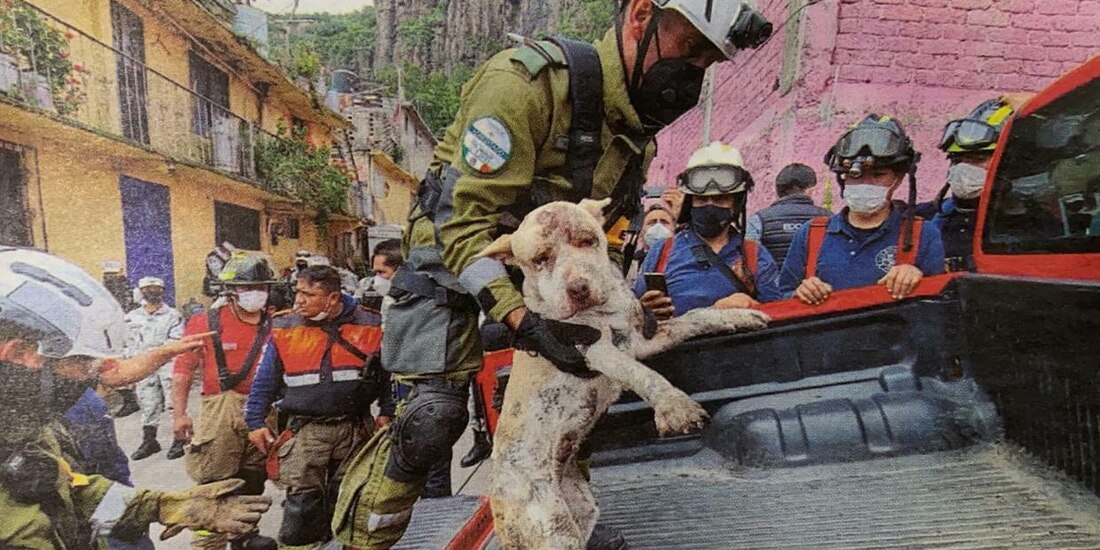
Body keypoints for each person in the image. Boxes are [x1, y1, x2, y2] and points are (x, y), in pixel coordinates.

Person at [332, 1, 773, 548]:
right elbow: (463, 230)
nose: (692, 75)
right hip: (452, 260)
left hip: (546, 270)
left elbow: (603, 243)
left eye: (708, 64)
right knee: (429, 419)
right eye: (690, 50)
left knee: (580, 385)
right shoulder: (522, 86)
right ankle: (365, 536)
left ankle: (564, 519)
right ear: (641, 16)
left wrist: (630, 306)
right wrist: (523, 321)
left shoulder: (635, 136)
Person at [0, 247, 271, 548]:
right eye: (80, 364)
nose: (93, 378)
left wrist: (159, 507)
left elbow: (74, 494)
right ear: (18, 354)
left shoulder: (23, 431)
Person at [245, 265, 385, 549]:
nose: (298, 301)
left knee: (352, 500)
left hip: (355, 429)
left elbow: (388, 374)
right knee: (302, 505)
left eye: (308, 294)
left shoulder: (371, 323)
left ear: (333, 298)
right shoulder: (284, 326)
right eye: (297, 292)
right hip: (306, 432)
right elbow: (265, 380)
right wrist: (254, 421)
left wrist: (388, 412)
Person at [173, 253, 282, 550]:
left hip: (263, 412)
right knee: (214, 483)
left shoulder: (277, 324)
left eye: (261, 286)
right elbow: (183, 370)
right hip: (219, 409)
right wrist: (179, 414)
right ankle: (208, 544)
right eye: (248, 287)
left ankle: (243, 535)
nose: (255, 293)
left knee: (253, 478)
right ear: (230, 291)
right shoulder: (205, 322)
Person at [780, 115, 946, 304]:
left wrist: (919, 279)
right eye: (855, 176)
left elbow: (939, 304)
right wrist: (800, 292)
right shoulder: (810, 234)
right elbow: (781, 296)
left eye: (878, 175)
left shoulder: (923, 234)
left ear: (898, 179)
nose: (866, 183)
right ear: (843, 177)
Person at [634, 142, 781, 318]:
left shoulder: (754, 256)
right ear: (691, 202)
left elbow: (778, 317)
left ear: (735, 204)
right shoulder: (662, 252)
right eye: (701, 199)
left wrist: (752, 305)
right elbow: (631, 315)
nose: (710, 205)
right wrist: (643, 310)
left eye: (720, 199)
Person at [922, 98, 1019, 271]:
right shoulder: (926, 217)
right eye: (957, 160)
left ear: (1007, 161)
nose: (964, 168)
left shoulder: (1032, 222)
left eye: (978, 159)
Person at [125, 276, 186, 461]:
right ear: (141, 292)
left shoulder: (173, 315)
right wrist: (133, 364)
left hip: (167, 364)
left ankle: (180, 439)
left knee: (173, 402)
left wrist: (158, 355)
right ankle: (150, 441)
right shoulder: (131, 317)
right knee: (148, 403)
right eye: (148, 289)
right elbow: (127, 343)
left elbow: (176, 340)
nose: (152, 292)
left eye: (156, 289)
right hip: (144, 365)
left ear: (162, 291)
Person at [746, 162, 831, 266]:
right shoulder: (829, 218)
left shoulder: (759, 219)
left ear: (778, 190)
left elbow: (749, 258)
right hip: (815, 282)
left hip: (771, 281)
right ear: (809, 190)